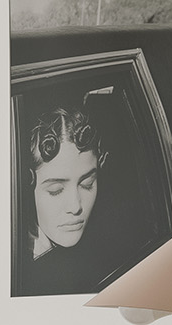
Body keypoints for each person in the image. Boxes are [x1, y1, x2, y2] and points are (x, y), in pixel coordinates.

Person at [14, 106, 116, 295]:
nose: (76, 206)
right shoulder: (20, 271)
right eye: (56, 191)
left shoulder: (109, 239)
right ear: (25, 188)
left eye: (87, 184)